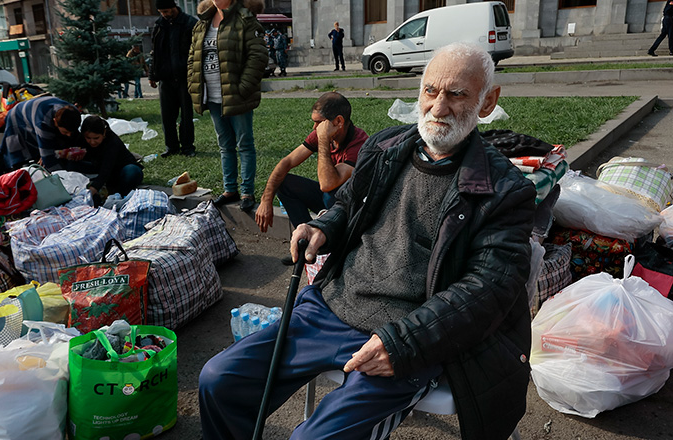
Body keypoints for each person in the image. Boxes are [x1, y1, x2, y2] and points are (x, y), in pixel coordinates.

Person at [199, 42, 536, 440]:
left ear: (487, 101)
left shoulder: (505, 190)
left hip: (408, 334)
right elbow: (346, 203)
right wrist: (325, 226)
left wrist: (403, 343)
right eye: (431, 91)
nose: (439, 108)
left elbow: (488, 291)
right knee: (217, 379)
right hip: (331, 306)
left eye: (457, 94)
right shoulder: (386, 147)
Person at [188, 0, 268, 213]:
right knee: (225, 145)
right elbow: (192, 57)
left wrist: (243, 88)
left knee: (244, 144)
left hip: (237, 96)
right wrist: (192, 82)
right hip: (212, 96)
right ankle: (229, 189)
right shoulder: (203, 21)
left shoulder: (244, 18)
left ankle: (247, 192)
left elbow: (258, 55)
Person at [254, 92, 368, 237]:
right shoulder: (322, 134)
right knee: (284, 183)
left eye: (319, 122)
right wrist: (266, 200)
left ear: (338, 121)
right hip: (330, 200)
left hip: (350, 208)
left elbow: (327, 184)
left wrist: (322, 139)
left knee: (329, 194)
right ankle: (305, 240)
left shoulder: (359, 144)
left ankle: (330, 247)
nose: (315, 128)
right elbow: (286, 162)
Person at [149, 0, 198, 158]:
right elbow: (154, 52)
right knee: (167, 116)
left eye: (167, 11)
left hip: (185, 77)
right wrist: (152, 75)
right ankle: (171, 146)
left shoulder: (190, 23)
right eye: (162, 12)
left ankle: (188, 146)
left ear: (174, 8)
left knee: (186, 116)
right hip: (165, 78)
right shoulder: (158, 26)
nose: (165, 15)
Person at [0, 96, 81, 174]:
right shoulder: (43, 122)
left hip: (39, 108)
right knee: (21, 152)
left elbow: (74, 139)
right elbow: (48, 157)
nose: (69, 135)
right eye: (65, 132)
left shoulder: (71, 113)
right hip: (18, 116)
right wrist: (61, 177)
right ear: (55, 122)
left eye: (71, 132)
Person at [71, 115, 144, 205]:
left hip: (119, 170)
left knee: (132, 172)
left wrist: (90, 192)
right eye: (88, 138)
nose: (92, 142)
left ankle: (119, 194)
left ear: (104, 133)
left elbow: (107, 168)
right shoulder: (82, 139)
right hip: (99, 168)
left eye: (96, 138)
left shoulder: (112, 142)